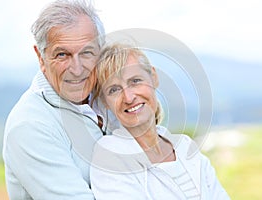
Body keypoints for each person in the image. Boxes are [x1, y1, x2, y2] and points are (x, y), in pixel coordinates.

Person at [90, 43, 230, 200]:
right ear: (105, 102)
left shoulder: (185, 147)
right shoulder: (111, 154)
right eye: (114, 90)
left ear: (153, 78)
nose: (128, 98)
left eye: (135, 81)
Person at [2, 0, 106, 199]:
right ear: (41, 58)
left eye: (86, 52)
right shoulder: (30, 126)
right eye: (62, 54)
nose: (76, 69)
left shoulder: (109, 98)